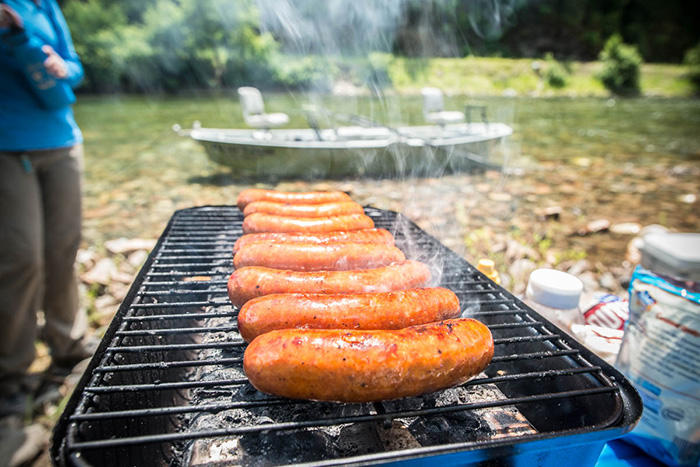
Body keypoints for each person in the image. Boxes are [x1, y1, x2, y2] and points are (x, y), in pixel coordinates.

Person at [0, 0, 93, 464]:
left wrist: (57, 62)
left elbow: (74, 71)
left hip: (61, 141)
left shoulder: (43, 4)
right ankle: (10, 383)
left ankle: (68, 346)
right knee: (20, 261)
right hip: (5, 146)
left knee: (62, 250)